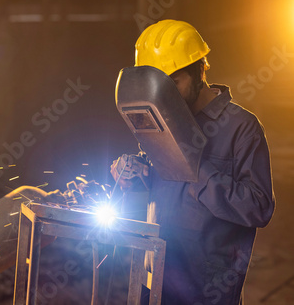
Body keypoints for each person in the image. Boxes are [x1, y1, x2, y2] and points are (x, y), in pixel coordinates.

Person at [111, 19, 275, 305]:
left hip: (208, 289)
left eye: (174, 82)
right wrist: (137, 173)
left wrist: (196, 169)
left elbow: (258, 208)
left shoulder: (243, 128)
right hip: (157, 274)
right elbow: (163, 181)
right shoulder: (163, 118)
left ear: (200, 70)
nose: (166, 96)